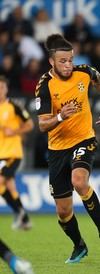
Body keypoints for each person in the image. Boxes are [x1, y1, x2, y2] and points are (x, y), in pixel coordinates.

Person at [35, 34, 100, 263]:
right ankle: (79, 245)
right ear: (51, 62)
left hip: (83, 139)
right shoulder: (44, 86)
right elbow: (42, 125)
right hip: (57, 149)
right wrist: (61, 116)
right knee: (63, 212)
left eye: (70, 60)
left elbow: (98, 77)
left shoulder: (83, 71)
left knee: (79, 182)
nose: (68, 65)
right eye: (62, 61)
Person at [0, 75, 34, 231]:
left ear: (6, 89)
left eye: (1, 88)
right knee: (10, 187)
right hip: (1, 154)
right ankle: (25, 220)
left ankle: (18, 211)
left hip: (13, 154)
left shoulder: (14, 106)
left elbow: (30, 124)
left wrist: (14, 131)